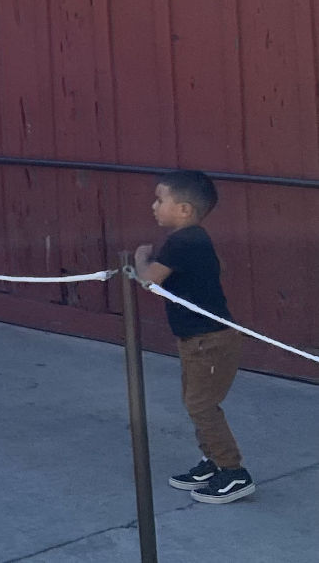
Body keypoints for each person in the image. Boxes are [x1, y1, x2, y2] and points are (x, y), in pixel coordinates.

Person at [134, 170, 254, 504]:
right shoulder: (194, 239)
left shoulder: (182, 241)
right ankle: (213, 459)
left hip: (210, 341)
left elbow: (149, 281)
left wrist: (140, 258)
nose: (154, 205)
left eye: (160, 199)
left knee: (201, 404)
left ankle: (233, 472)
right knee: (195, 401)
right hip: (196, 339)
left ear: (184, 209)